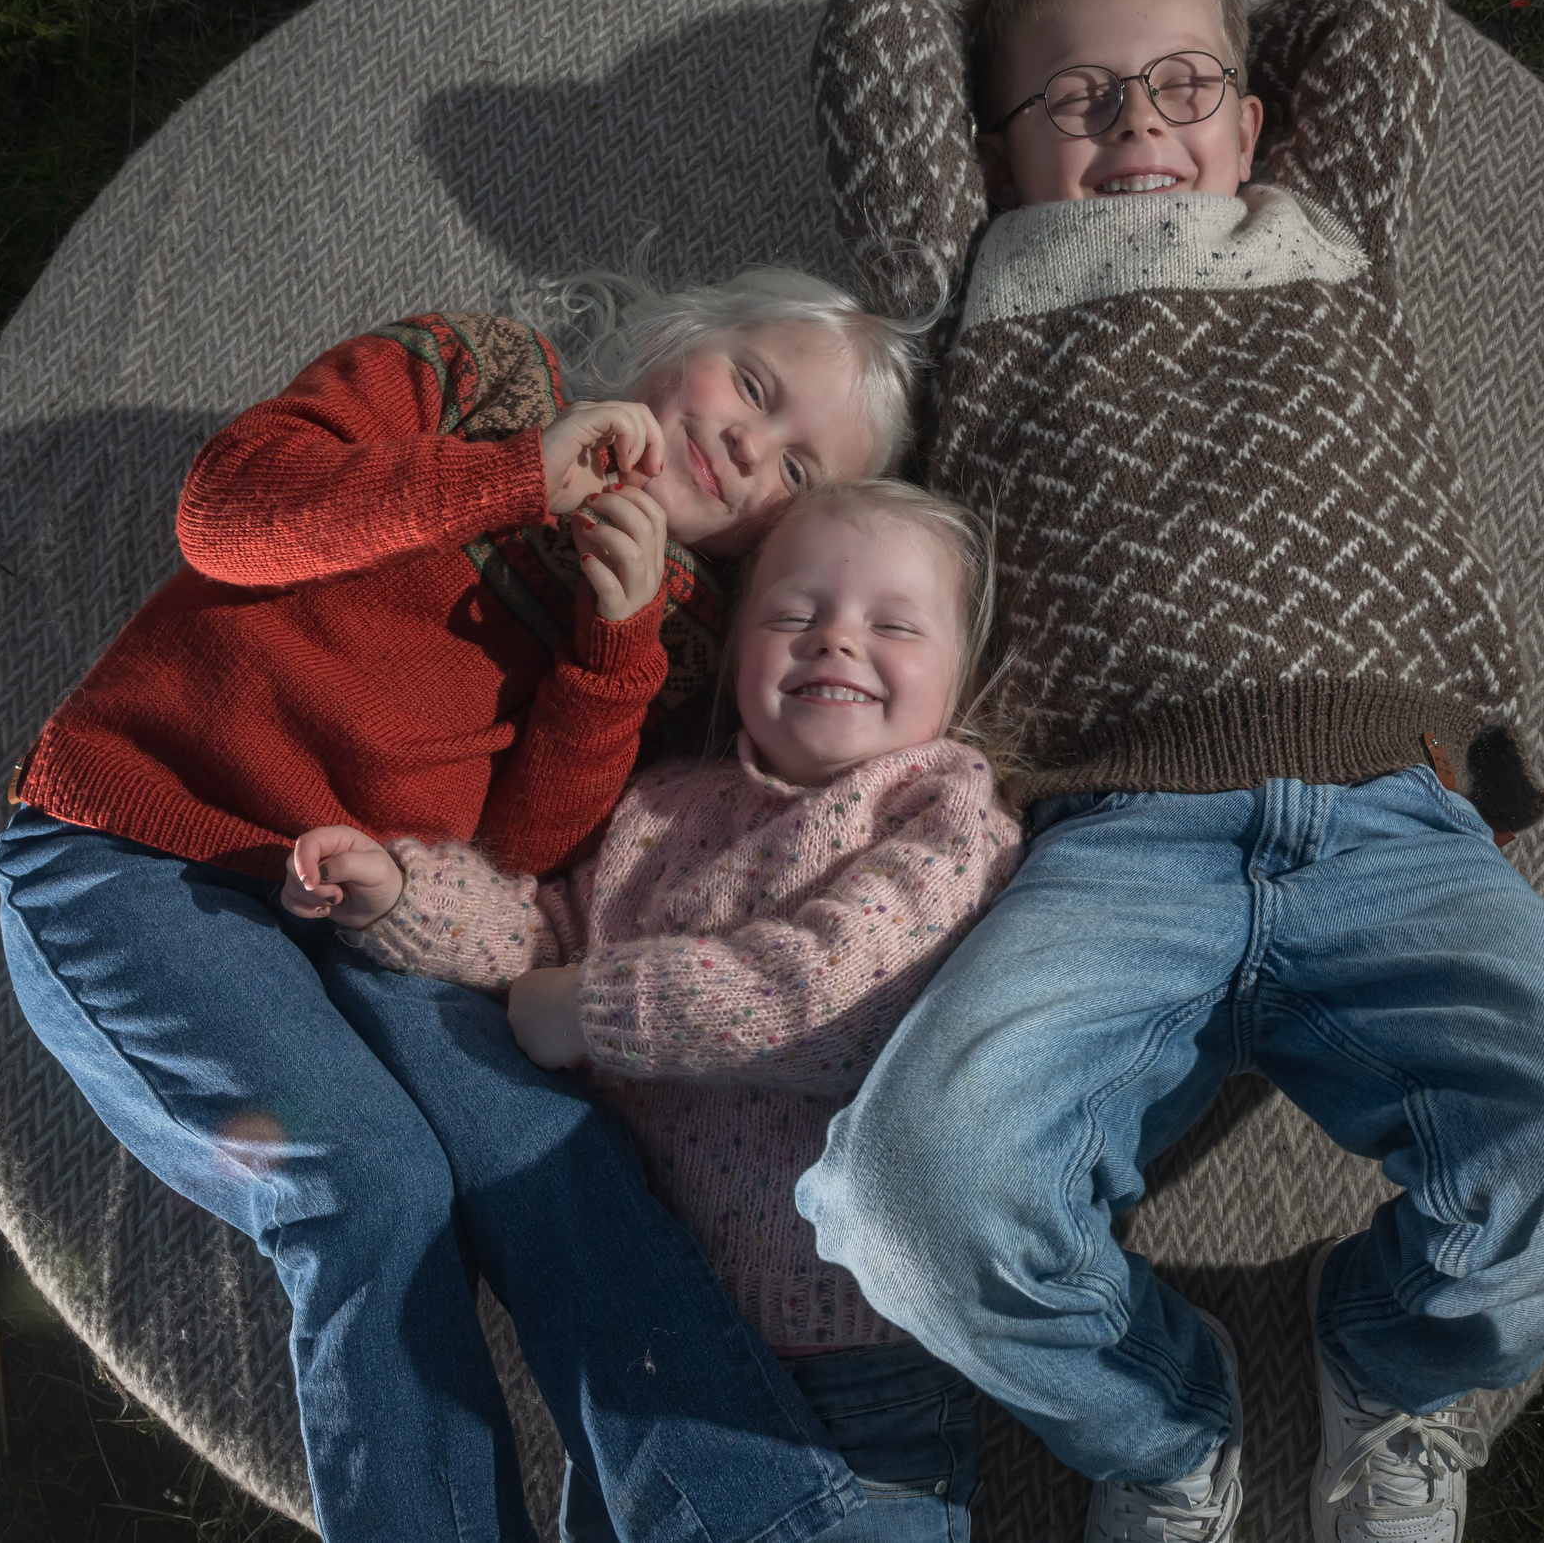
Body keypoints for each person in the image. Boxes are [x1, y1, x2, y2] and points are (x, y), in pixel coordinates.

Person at [793, 0, 1544, 1543]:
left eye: (1185, 89)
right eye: (1081, 102)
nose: (1138, 127)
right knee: (901, 1205)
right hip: (1108, 843)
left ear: (1259, 119)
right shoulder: (970, 280)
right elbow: (869, 33)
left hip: (1394, 816)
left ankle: (1390, 1350)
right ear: (989, 149)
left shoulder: (1325, 227)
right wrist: (1014, 89)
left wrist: (1182, 81)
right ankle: (1163, 1426)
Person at [0, 268, 923, 1543]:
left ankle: (758, 1522)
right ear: (682, 341)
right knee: (366, 1182)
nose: (745, 445)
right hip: (138, 847)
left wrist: (614, 646)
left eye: (794, 471)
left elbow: (521, 849)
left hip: (375, 917)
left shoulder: (677, 629)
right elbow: (229, 517)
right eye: (751, 387)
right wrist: (513, 480)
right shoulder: (476, 378)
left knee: (548, 1156)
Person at [284, 478, 1024, 1543]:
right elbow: (538, 941)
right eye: (793, 615)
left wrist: (591, 1011)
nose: (837, 643)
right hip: (641, 1359)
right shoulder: (656, 807)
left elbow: (833, 997)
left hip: (854, 1368)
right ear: (731, 651)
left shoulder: (943, 813)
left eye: (893, 624)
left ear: (960, 677)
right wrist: (403, 897)